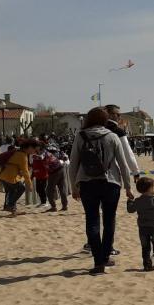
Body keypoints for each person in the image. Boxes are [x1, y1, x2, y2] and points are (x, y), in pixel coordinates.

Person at [69, 107, 134, 275]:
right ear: (105, 120)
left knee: (92, 221)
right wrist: (128, 186)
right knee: (109, 220)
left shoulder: (80, 136)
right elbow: (123, 164)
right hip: (110, 182)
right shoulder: (112, 136)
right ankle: (105, 256)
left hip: (87, 183)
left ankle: (98, 261)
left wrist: (73, 187)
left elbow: (73, 163)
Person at [126, 177, 154, 271]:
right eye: (153, 187)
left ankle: (147, 265)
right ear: (150, 188)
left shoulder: (138, 201)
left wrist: (129, 201)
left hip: (143, 228)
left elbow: (130, 210)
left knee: (145, 247)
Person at [0, 139, 39, 215]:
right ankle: (10, 206)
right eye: (34, 149)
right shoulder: (22, 156)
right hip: (9, 176)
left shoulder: (17, 151)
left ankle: (12, 209)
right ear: (29, 147)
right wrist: (29, 184)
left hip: (3, 175)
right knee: (21, 188)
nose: (34, 151)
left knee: (12, 191)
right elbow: (25, 171)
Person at [105, 105, 141, 183]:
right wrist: (135, 172)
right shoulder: (118, 131)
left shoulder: (91, 131)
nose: (120, 117)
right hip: (111, 176)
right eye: (118, 114)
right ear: (110, 115)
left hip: (89, 175)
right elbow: (127, 153)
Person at [44, 146, 69, 212]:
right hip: (61, 169)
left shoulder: (45, 154)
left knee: (49, 190)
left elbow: (46, 166)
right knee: (62, 188)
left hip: (54, 172)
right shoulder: (53, 154)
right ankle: (65, 206)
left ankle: (53, 207)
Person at [31, 143, 50, 208]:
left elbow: (41, 157)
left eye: (37, 146)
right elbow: (33, 163)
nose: (36, 148)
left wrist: (34, 156)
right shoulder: (35, 153)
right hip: (37, 174)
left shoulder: (44, 152)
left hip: (44, 174)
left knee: (42, 188)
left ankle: (44, 202)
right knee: (38, 189)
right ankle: (42, 202)